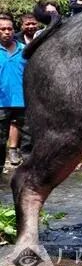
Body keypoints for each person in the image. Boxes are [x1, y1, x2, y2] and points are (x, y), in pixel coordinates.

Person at [0, 13, 26, 167]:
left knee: (29, 141)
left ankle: (30, 179)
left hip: (23, 102)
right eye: (2, 29)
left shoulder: (25, 50)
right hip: (1, 104)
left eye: (9, 28)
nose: (7, 32)